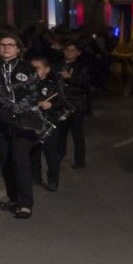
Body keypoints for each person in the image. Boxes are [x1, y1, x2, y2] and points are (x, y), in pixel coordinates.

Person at [0, 33, 39, 219]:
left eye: (10, 44)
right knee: (5, 161)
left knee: (20, 160)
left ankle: (25, 203)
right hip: (0, 121)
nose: (5, 47)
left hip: (22, 121)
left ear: (18, 48)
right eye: (2, 44)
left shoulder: (27, 69)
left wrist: (16, 110)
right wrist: (0, 110)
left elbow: (32, 94)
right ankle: (13, 198)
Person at [26, 55, 66, 192]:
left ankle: (53, 180)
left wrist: (51, 106)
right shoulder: (26, 86)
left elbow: (62, 104)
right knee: (33, 153)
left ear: (47, 69)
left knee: (51, 154)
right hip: (32, 123)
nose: (34, 71)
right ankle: (35, 176)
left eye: (37, 68)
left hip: (49, 123)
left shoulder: (52, 86)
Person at [57, 41, 93, 170]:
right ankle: (59, 156)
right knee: (61, 132)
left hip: (77, 103)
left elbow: (86, 84)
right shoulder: (58, 64)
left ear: (78, 53)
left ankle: (79, 160)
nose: (69, 52)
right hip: (61, 103)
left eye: (73, 50)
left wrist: (70, 78)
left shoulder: (82, 66)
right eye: (67, 49)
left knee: (77, 133)